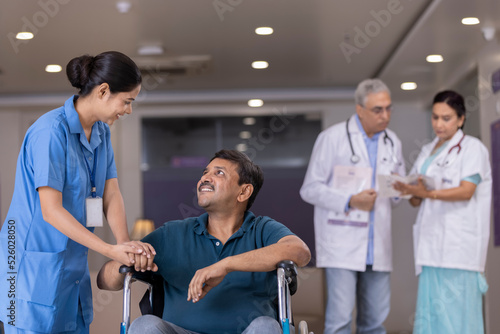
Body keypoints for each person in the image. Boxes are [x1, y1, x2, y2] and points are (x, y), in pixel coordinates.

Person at [0, 51, 155, 334]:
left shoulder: (101, 133)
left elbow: (111, 192)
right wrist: (110, 250)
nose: (128, 111)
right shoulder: (50, 132)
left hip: (71, 268)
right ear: (103, 91)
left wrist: (125, 245)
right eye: (127, 101)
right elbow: (51, 211)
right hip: (32, 268)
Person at [97, 149, 311, 334]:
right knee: (144, 325)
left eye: (219, 173)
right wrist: (124, 263)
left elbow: (299, 252)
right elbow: (104, 281)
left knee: (267, 326)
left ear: (243, 191)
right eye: (205, 172)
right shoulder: (173, 234)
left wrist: (225, 265)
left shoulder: (262, 229)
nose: (205, 178)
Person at [300, 79, 405, 334]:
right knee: (340, 322)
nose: (385, 116)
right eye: (378, 110)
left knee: (375, 323)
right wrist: (350, 200)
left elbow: (395, 189)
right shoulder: (332, 138)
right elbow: (309, 189)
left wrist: (406, 189)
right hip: (342, 245)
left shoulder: (393, 142)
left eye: (389, 108)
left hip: (377, 246)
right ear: (360, 109)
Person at [393, 90, 491, 334]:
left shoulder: (472, 148)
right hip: (431, 246)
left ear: (460, 119)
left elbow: (466, 191)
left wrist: (424, 193)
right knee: (432, 316)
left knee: (459, 318)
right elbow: (417, 200)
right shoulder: (428, 151)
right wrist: (407, 190)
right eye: (435, 117)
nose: (439, 124)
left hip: (459, 248)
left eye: (446, 118)